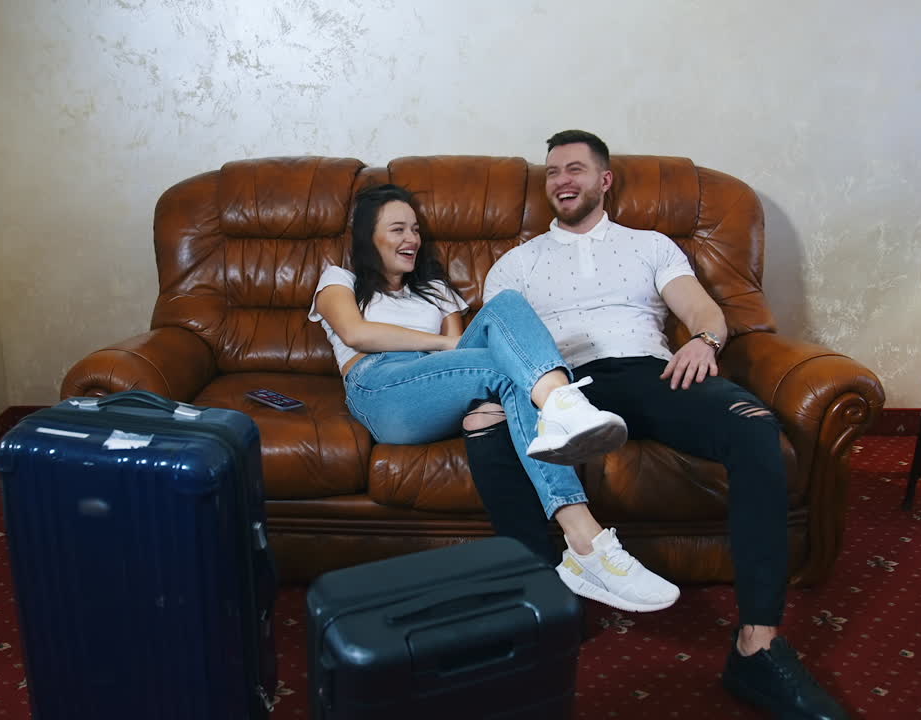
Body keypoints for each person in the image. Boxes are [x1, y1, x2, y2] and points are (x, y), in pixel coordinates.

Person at [460, 130, 847, 720]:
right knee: (496, 431)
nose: (562, 180)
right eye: (553, 173)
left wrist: (705, 339)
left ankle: (757, 646)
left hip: (651, 371)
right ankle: (551, 610)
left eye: (575, 169)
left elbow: (698, 306)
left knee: (754, 429)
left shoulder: (651, 245)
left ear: (604, 180)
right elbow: (502, 343)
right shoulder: (516, 263)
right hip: (566, 383)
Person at [310, 183, 679, 613]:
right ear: (367, 237)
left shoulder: (437, 290)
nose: (411, 239)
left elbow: (469, 360)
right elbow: (356, 334)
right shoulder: (340, 279)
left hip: (444, 386)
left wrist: (454, 355)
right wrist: (442, 345)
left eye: (414, 229)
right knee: (506, 368)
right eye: (397, 229)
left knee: (506, 306)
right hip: (381, 384)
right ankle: (566, 422)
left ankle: (583, 529)